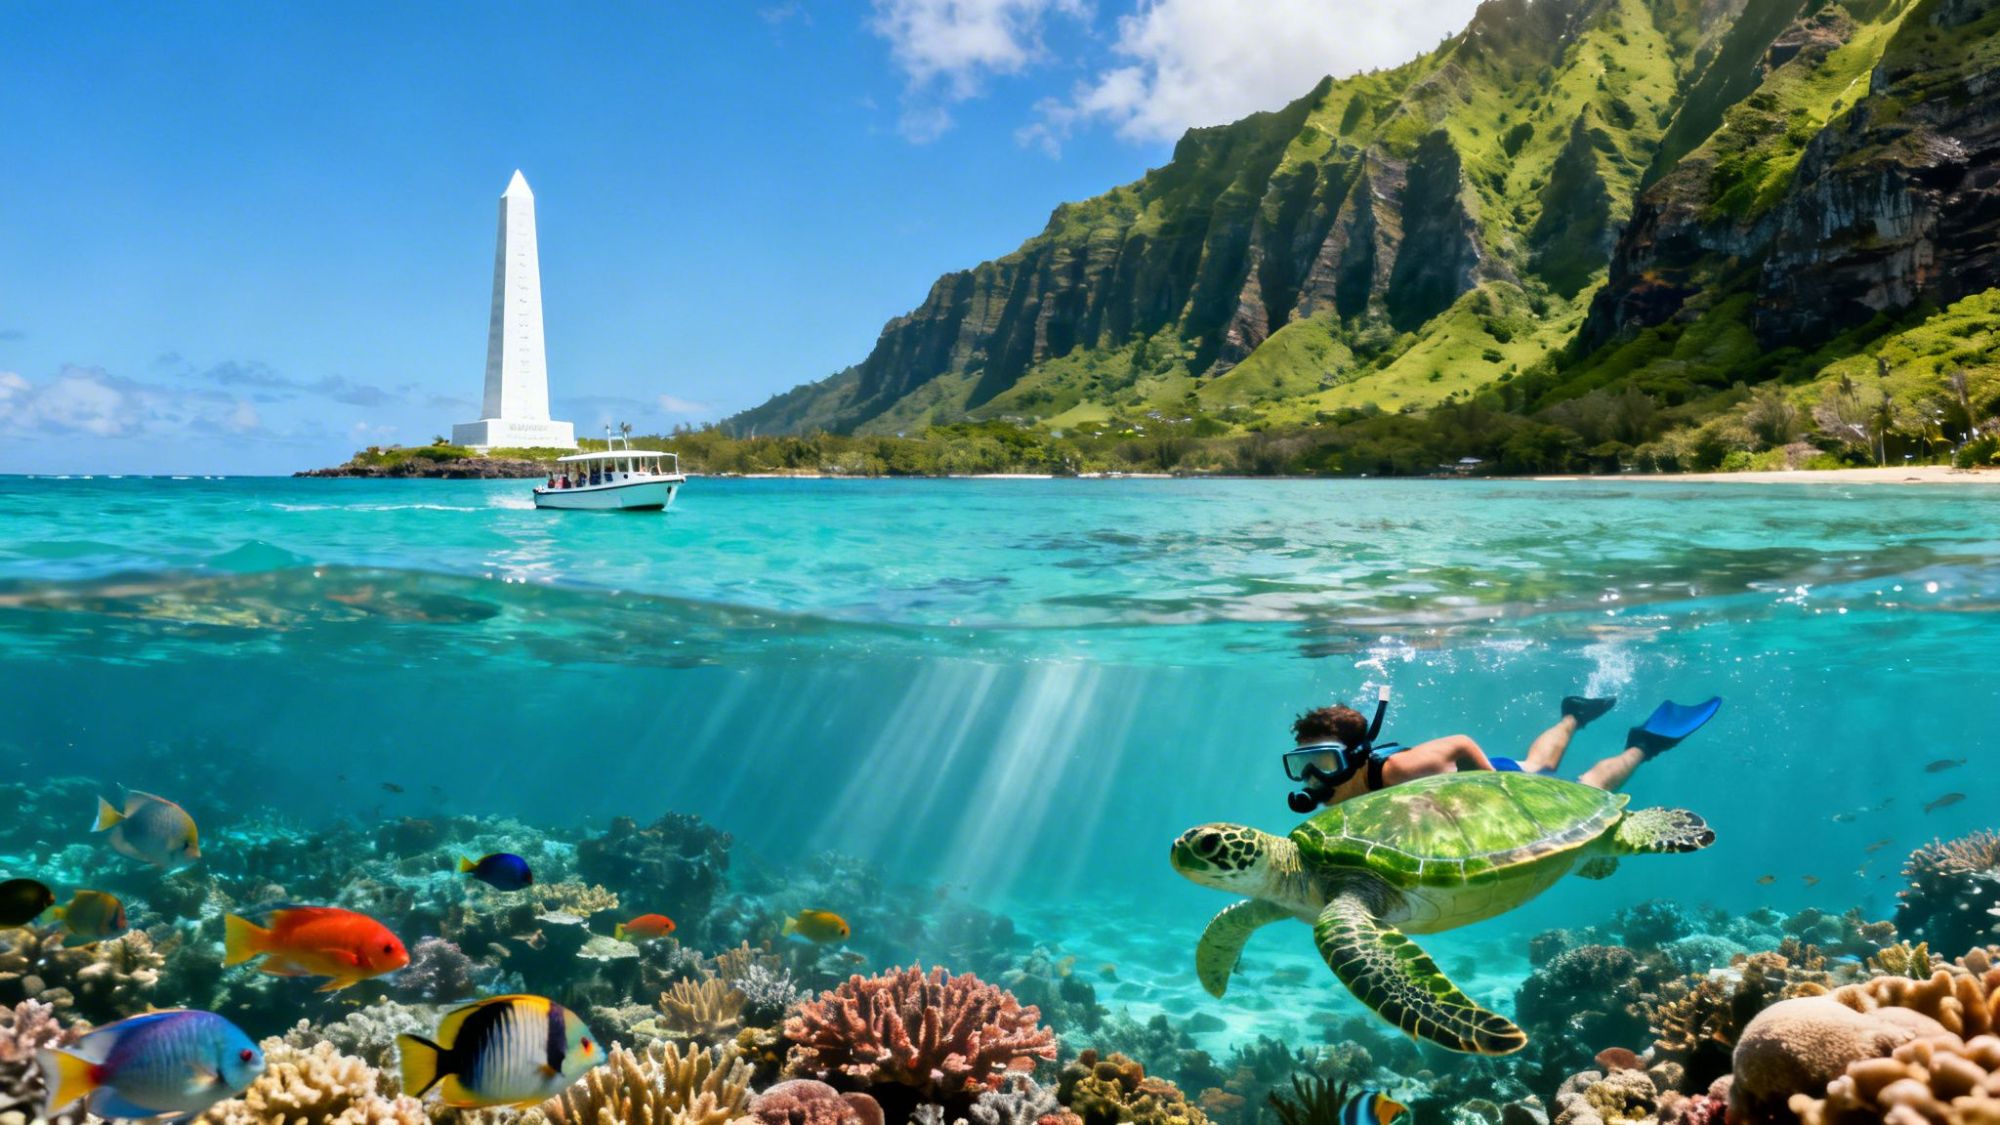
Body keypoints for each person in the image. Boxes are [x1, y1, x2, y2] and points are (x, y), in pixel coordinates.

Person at [1282, 688, 1720, 812]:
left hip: (1495, 783)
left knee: (1584, 787)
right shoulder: (1339, 792)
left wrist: (1497, 787)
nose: (1312, 778)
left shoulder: (1401, 770)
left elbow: (1460, 742)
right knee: (1539, 762)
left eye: (1323, 763)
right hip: (1477, 789)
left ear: (1356, 757)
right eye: (1302, 764)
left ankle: (1644, 744)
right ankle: (1574, 714)